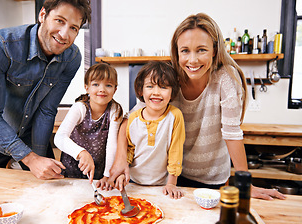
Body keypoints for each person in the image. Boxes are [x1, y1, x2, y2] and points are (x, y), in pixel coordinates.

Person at [109, 13, 285, 201]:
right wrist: (120, 158)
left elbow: (232, 133)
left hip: (212, 178)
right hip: (172, 176)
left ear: (215, 50)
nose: (192, 60)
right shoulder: (168, 78)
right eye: (185, 51)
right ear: (177, 52)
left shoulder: (226, 78)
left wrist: (245, 184)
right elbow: (131, 118)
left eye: (201, 50)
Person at [0, 0, 92, 180]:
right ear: (42, 15)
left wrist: (39, 159)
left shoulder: (72, 58)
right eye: (59, 21)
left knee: (46, 192)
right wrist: (31, 160)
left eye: (73, 28)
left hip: (31, 134)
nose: (64, 34)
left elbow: (47, 110)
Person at [115, 61, 185, 199]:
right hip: (133, 183)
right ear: (141, 90)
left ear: (172, 92)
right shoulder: (133, 118)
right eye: (150, 86)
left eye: (163, 87)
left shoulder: (175, 116)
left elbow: (175, 151)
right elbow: (129, 149)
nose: (156, 92)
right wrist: (123, 174)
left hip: (162, 186)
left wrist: (172, 183)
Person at [54, 63, 123, 187]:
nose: (102, 89)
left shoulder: (115, 110)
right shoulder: (80, 107)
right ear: (87, 87)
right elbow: (59, 138)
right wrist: (82, 153)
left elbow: (112, 144)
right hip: (72, 167)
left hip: (98, 170)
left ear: (115, 89)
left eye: (108, 85)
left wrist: (107, 175)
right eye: (96, 84)